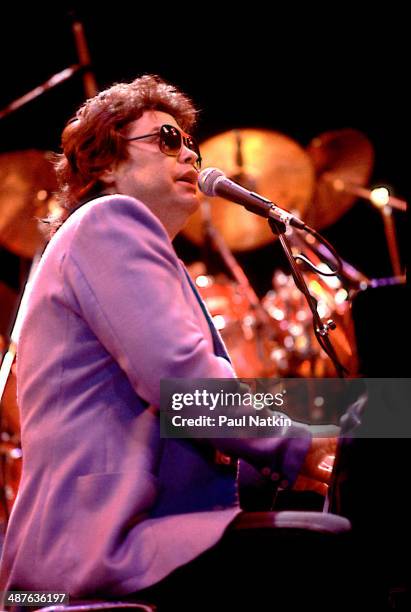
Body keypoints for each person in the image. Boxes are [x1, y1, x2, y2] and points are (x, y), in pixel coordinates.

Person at [0, 75, 336, 608]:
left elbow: (192, 419)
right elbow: (186, 387)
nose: (191, 156)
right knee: (333, 549)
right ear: (106, 163)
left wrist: (359, 416)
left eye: (190, 143)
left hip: (125, 536)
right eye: (167, 139)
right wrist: (310, 443)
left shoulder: (135, 250)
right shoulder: (109, 221)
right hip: (94, 549)